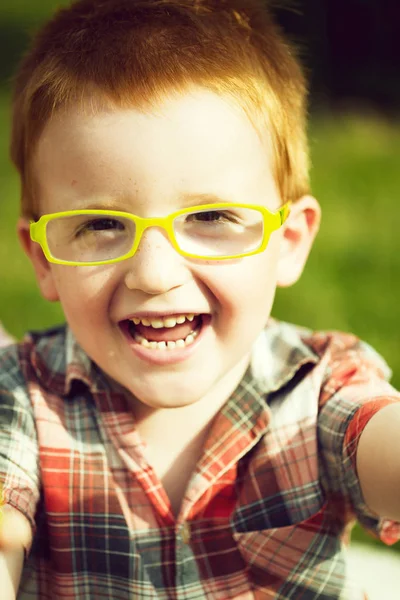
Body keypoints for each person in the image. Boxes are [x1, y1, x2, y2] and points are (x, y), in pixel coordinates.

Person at [0, 0, 399, 598]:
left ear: (288, 242)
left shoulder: (319, 390)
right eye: (101, 225)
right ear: (43, 258)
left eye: (212, 216)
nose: (155, 276)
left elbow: (379, 440)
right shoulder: (25, 398)